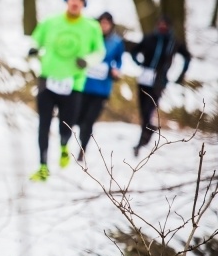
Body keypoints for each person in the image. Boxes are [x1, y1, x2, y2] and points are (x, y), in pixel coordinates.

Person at [28, 0, 105, 182]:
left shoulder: (92, 27)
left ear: (84, 4)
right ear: (66, 0)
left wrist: (87, 61)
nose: (75, 2)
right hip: (48, 79)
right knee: (43, 123)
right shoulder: (51, 21)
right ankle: (43, 166)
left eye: (80, 0)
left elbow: (99, 52)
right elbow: (35, 41)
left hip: (74, 83)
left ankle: (64, 146)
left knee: (66, 124)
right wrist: (32, 51)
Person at [129, 14, 191, 156]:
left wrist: (180, 75)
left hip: (159, 81)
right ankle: (147, 130)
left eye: (165, 24)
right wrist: (139, 63)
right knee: (142, 109)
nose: (162, 26)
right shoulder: (149, 38)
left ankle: (141, 141)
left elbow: (187, 57)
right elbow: (134, 51)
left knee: (149, 109)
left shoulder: (173, 42)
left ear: (169, 27)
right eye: (160, 24)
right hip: (144, 78)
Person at [74, 11, 125, 161]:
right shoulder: (90, 38)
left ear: (111, 25)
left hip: (102, 89)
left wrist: (116, 70)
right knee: (79, 118)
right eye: (101, 23)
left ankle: (82, 149)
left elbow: (119, 60)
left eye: (106, 24)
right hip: (84, 85)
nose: (104, 26)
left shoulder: (116, 42)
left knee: (89, 121)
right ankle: (78, 138)